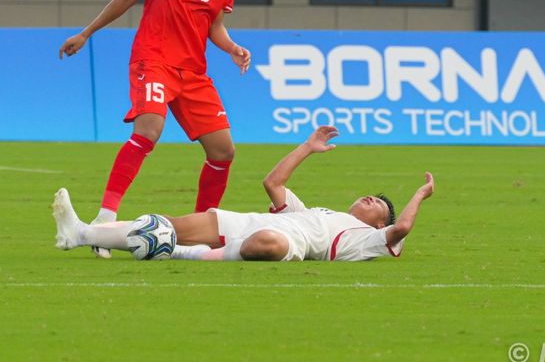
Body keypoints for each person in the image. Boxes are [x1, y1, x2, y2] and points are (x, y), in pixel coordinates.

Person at [58, 0, 251, 258]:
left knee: (224, 151)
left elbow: (215, 25)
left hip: (193, 73)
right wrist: (87, 32)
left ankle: (201, 228)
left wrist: (232, 47)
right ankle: (104, 220)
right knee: (148, 129)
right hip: (155, 59)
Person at [52, 126, 435, 262]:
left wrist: (420, 194)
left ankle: (184, 254)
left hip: (287, 243)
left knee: (267, 243)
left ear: (378, 223)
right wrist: (306, 146)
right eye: (370, 196)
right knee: (165, 224)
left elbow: (401, 229)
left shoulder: (367, 240)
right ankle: (79, 234)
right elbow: (273, 184)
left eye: (378, 206)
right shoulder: (317, 210)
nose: (371, 200)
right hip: (249, 222)